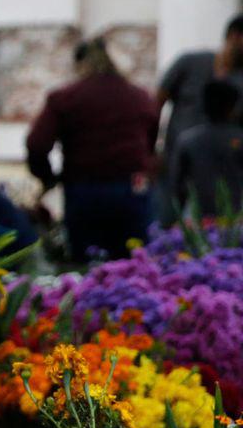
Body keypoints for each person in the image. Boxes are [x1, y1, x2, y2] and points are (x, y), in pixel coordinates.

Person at [26, 37, 158, 261]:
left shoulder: (66, 98)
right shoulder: (140, 97)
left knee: (86, 268)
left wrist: (47, 178)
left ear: (79, 64)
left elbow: (37, 144)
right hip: (132, 190)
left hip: (85, 192)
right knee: (135, 265)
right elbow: (150, 143)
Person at [157, 14, 243, 218]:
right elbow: (156, 102)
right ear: (235, 36)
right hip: (177, 164)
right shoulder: (190, 63)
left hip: (224, 174)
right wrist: (151, 150)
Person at [172, 79, 243, 217]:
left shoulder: (188, 140)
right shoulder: (239, 139)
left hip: (199, 219)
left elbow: (178, 188)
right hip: (236, 217)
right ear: (232, 107)